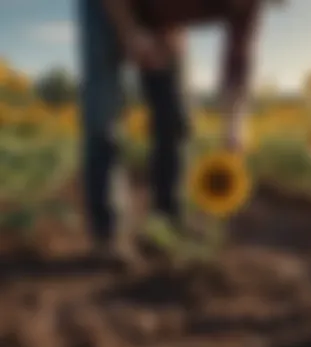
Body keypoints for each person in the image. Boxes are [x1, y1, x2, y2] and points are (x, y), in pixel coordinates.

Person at [78, 0, 266, 259]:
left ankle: (166, 223)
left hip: (162, 20)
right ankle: (107, 234)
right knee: (103, 114)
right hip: (108, 7)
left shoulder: (249, 6)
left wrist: (234, 125)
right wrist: (130, 32)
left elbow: (239, 61)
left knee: (176, 118)